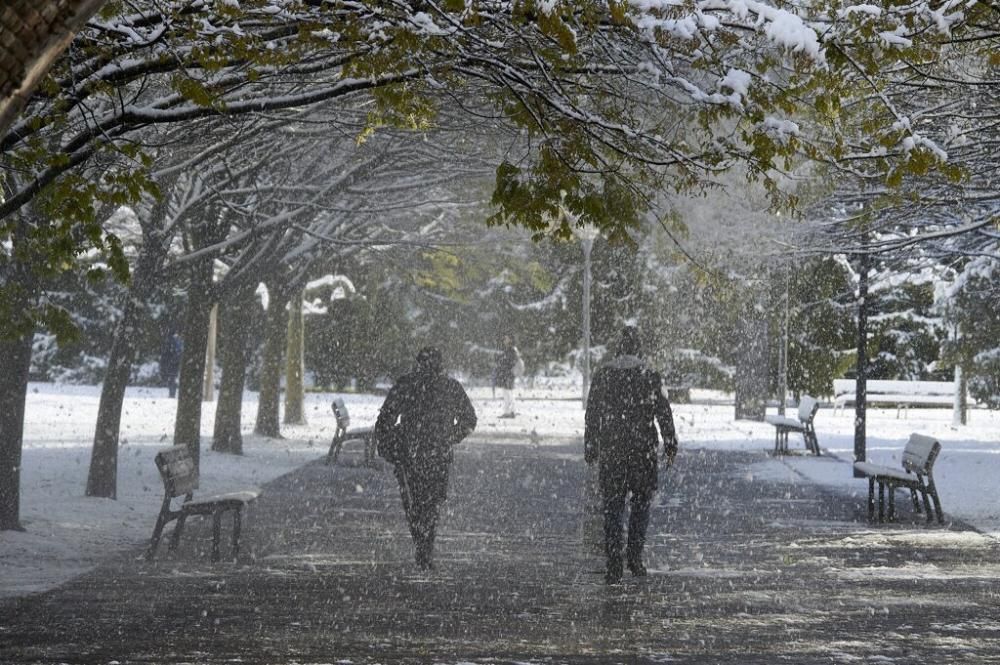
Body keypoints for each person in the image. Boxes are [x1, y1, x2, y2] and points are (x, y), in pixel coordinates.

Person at [584, 325, 678, 584]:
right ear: (639, 349)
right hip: (642, 450)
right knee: (640, 504)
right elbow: (663, 412)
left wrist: (591, 445)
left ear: (618, 349)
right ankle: (635, 557)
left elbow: (592, 415)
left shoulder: (603, 376)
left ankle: (614, 562)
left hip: (613, 449)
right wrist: (670, 443)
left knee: (613, 506)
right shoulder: (650, 376)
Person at [374, 346, 477, 570]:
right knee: (431, 504)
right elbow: (470, 420)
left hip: (409, 454)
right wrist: (450, 437)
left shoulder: (407, 384)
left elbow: (385, 418)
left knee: (413, 503)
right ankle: (425, 545)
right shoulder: (450, 387)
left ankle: (421, 543)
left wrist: (391, 444)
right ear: (440, 364)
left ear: (418, 363)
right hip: (437, 454)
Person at [494, 334, 523, 418]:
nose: (504, 340)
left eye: (506, 338)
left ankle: (510, 412)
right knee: (507, 392)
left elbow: (510, 362)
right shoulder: (510, 349)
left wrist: (502, 363)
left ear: (510, 339)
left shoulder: (512, 350)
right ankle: (510, 411)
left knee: (508, 393)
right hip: (507, 374)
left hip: (508, 374)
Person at [159, 328, 182, 398]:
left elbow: (166, 352)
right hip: (175, 362)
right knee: (172, 378)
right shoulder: (178, 340)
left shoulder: (170, 340)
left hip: (171, 362)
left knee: (171, 378)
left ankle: (172, 394)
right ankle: (172, 393)